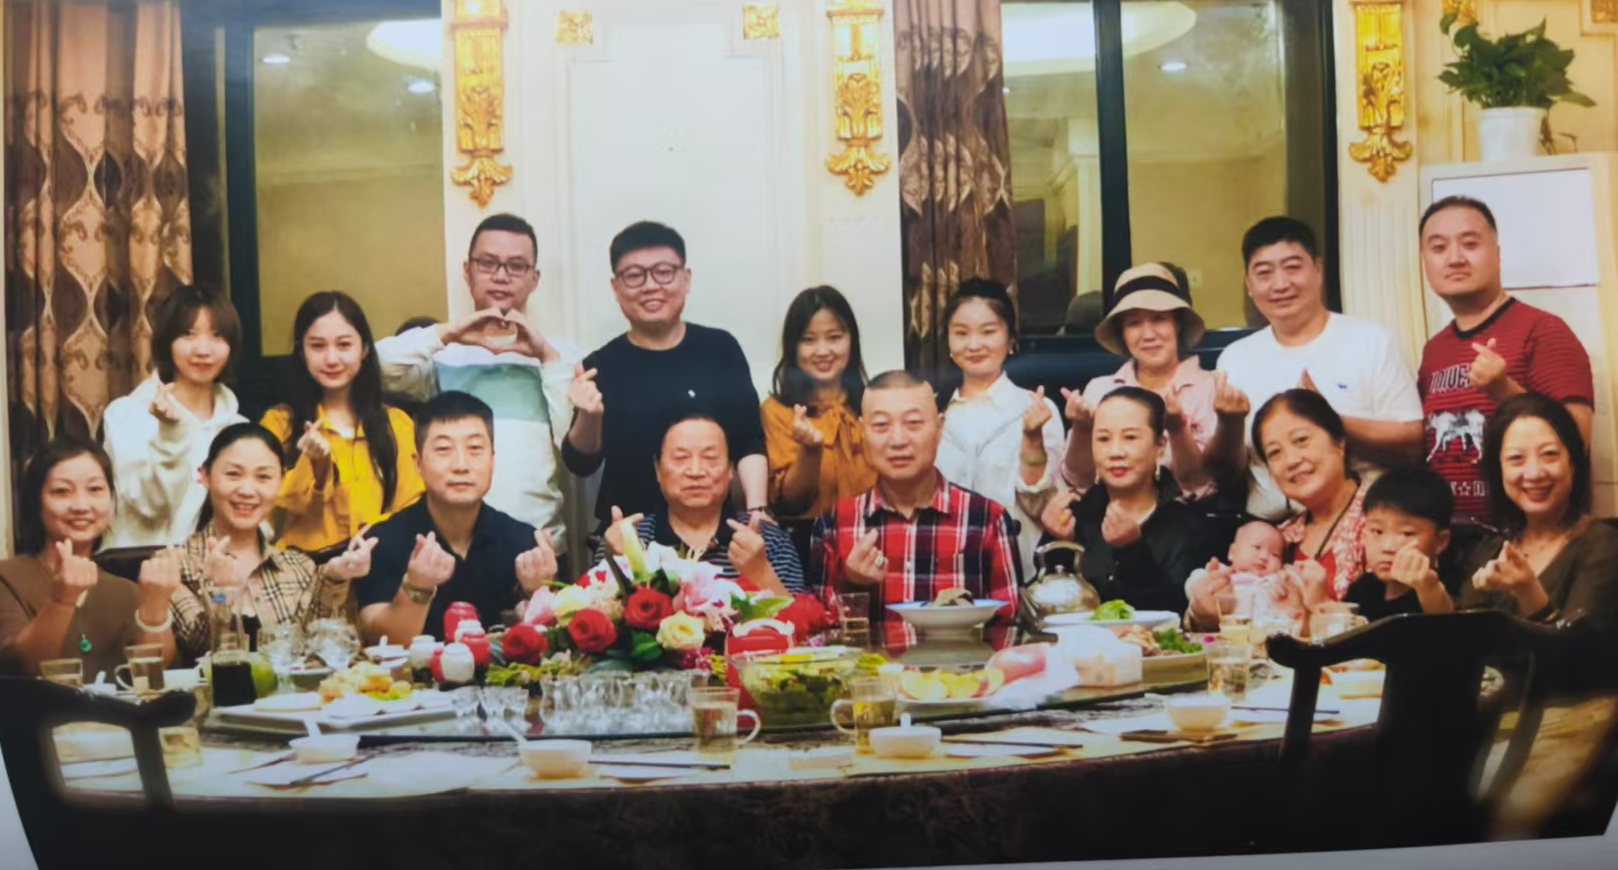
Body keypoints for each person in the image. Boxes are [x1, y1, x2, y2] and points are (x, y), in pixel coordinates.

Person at [376, 214, 577, 574]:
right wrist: (449, 333)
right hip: (450, 548)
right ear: (467, 271)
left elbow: (574, 448)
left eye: (516, 266)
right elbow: (369, 368)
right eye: (488, 263)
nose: (501, 276)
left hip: (538, 547)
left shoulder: (560, 356)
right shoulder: (441, 355)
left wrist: (547, 357)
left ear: (534, 278)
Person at [563, 221, 769, 535]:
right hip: (629, 535)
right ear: (616, 287)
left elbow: (749, 439)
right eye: (634, 275)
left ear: (686, 279)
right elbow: (580, 463)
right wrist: (588, 416)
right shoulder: (600, 365)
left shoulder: (721, 349)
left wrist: (756, 511)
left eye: (663, 272)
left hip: (714, 533)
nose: (650, 286)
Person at [1213, 217, 1423, 520]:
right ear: (1249, 284)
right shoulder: (1234, 359)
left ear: (1319, 270)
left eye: (1293, 267)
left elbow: (1413, 445)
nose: (1280, 284)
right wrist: (1230, 424)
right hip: (1268, 531)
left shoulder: (1370, 340)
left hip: (1365, 524)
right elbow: (1226, 475)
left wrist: (1330, 420)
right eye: (1264, 273)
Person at [809, 371, 1020, 650]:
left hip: (963, 675)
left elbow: (1009, 633)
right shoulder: (835, 523)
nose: (898, 440)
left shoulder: (987, 519)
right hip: (871, 677)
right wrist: (853, 583)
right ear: (862, 432)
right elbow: (820, 637)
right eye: (881, 425)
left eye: (913, 423)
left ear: (940, 428)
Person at [1417, 196, 1595, 524]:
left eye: (1470, 244)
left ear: (1497, 255)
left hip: (1525, 535)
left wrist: (1505, 391)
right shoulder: (1434, 350)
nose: (1455, 259)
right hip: (1449, 536)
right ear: (1425, 262)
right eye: (1439, 248)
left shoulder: (1544, 331)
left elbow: (1576, 443)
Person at [355, 392, 561, 643]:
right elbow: (378, 640)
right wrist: (416, 589)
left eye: (475, 449)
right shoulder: (382, 541)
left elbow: (552, 644)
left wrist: (538, 592)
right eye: (444, 450)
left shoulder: (523, 542)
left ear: (492, 460)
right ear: (418, 463)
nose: (461, 465)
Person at [167, 424, 371, 665]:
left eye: (263, 477)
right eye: (233, 474)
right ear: (205, 476)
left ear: (282, 481)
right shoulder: (174, 566)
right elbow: (199, 651)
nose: (247, 490)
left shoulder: (299, 567)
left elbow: (326, 655)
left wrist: (333, 578)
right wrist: (222, 595)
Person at [1, 440, 182, 678]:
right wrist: (61, 601)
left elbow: (154, 676)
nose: (81, 505)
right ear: (37, 502)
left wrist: (156, 607)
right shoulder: (7, 578)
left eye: (95, 489)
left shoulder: (126, 590)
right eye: (61, 491)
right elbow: (17, 669)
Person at [261, 292, 424, 555]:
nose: (332, 359)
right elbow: (264, 509)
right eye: (317, 346)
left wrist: (376, 534)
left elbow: (412, 506)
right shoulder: (280, 425)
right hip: (305, 570)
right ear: (301, 352)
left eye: (344, 345)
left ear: (365, 349)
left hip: (381, 564)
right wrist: (316, 467)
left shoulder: (396, 424)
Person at [1037, 388, 1225, 614]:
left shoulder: (1188, 525)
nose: (1115, 451)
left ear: (1160, 445)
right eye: (1104, 439)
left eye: (1130, 437)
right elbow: (1040, 606)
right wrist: (1058, 542)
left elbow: (1182, 613)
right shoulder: (1075, 517)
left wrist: (1132, 551)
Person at [1187, 389, 1364, 628]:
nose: (1291, 460)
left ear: (1339, 443)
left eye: (1301, 440)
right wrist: (1203, 612)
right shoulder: (1278, 538)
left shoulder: (1384, 522)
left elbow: (1396, 626)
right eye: (1274, 453)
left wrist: (1323, 608)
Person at [1445, 395, 1617, 630]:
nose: (1534, 473)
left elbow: (1580, 648)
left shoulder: (1603, 546)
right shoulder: (1492, 549)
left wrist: (1528, 591)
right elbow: (1465, 638)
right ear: (1499, 470)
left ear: (1573, 463)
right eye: (1516, 458)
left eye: (1549, 454)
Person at [933, 279, 1064, 581]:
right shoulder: (934, 413)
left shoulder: (1036, 409)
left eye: (988, 331)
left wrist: (1032, 438)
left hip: (1020, 572)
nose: (974, 344)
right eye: (961, 333)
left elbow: (1041, 505)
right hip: (944, 571)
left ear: (1010, 338)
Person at [101, 286, 247, 548]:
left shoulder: (238, 429)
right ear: (167, 342)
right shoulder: (127, 414)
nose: (203, 350)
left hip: (212, 567)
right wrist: (170, 434)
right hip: (137, 565)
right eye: (188, 334)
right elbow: (150, 507)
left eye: (217, 335)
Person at [1060, 263, 1219, 501]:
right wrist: (1082, 429)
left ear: (1177, 324)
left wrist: (1178, 430)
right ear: (1121, 333)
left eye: (1159, 319)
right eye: (1134, 323)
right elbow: (1078, 481)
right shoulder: (1100, 389)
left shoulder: (1211, 388)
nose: (1148, 334)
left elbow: (1203, 484)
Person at [600, 415, 805, 594]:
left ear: (730, 469)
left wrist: (761, 573)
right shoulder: (627, 540)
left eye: (710, 458)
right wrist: (617, 564)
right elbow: (593, 619)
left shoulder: (769, 541)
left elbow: (804, 625)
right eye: (681, 458)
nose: (696, 471)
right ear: (657, 469)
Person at [761, 286, 877, 558]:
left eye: (834, 337)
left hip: (874, 538)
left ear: (852, 340)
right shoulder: (777, 411)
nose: (823, 350)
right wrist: (810, 450)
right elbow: (791, 501)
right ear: (793, 347)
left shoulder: (874, 405)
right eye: (808, 340)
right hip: (804, 545)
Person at [1344, 467, 1458, 621]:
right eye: (1377, 531)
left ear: (1441, 541)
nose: (1388, 547)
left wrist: (1428, 587)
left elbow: (1451, 624)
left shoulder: (1447, 588)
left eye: (1407, 533)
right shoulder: (1364, 588)